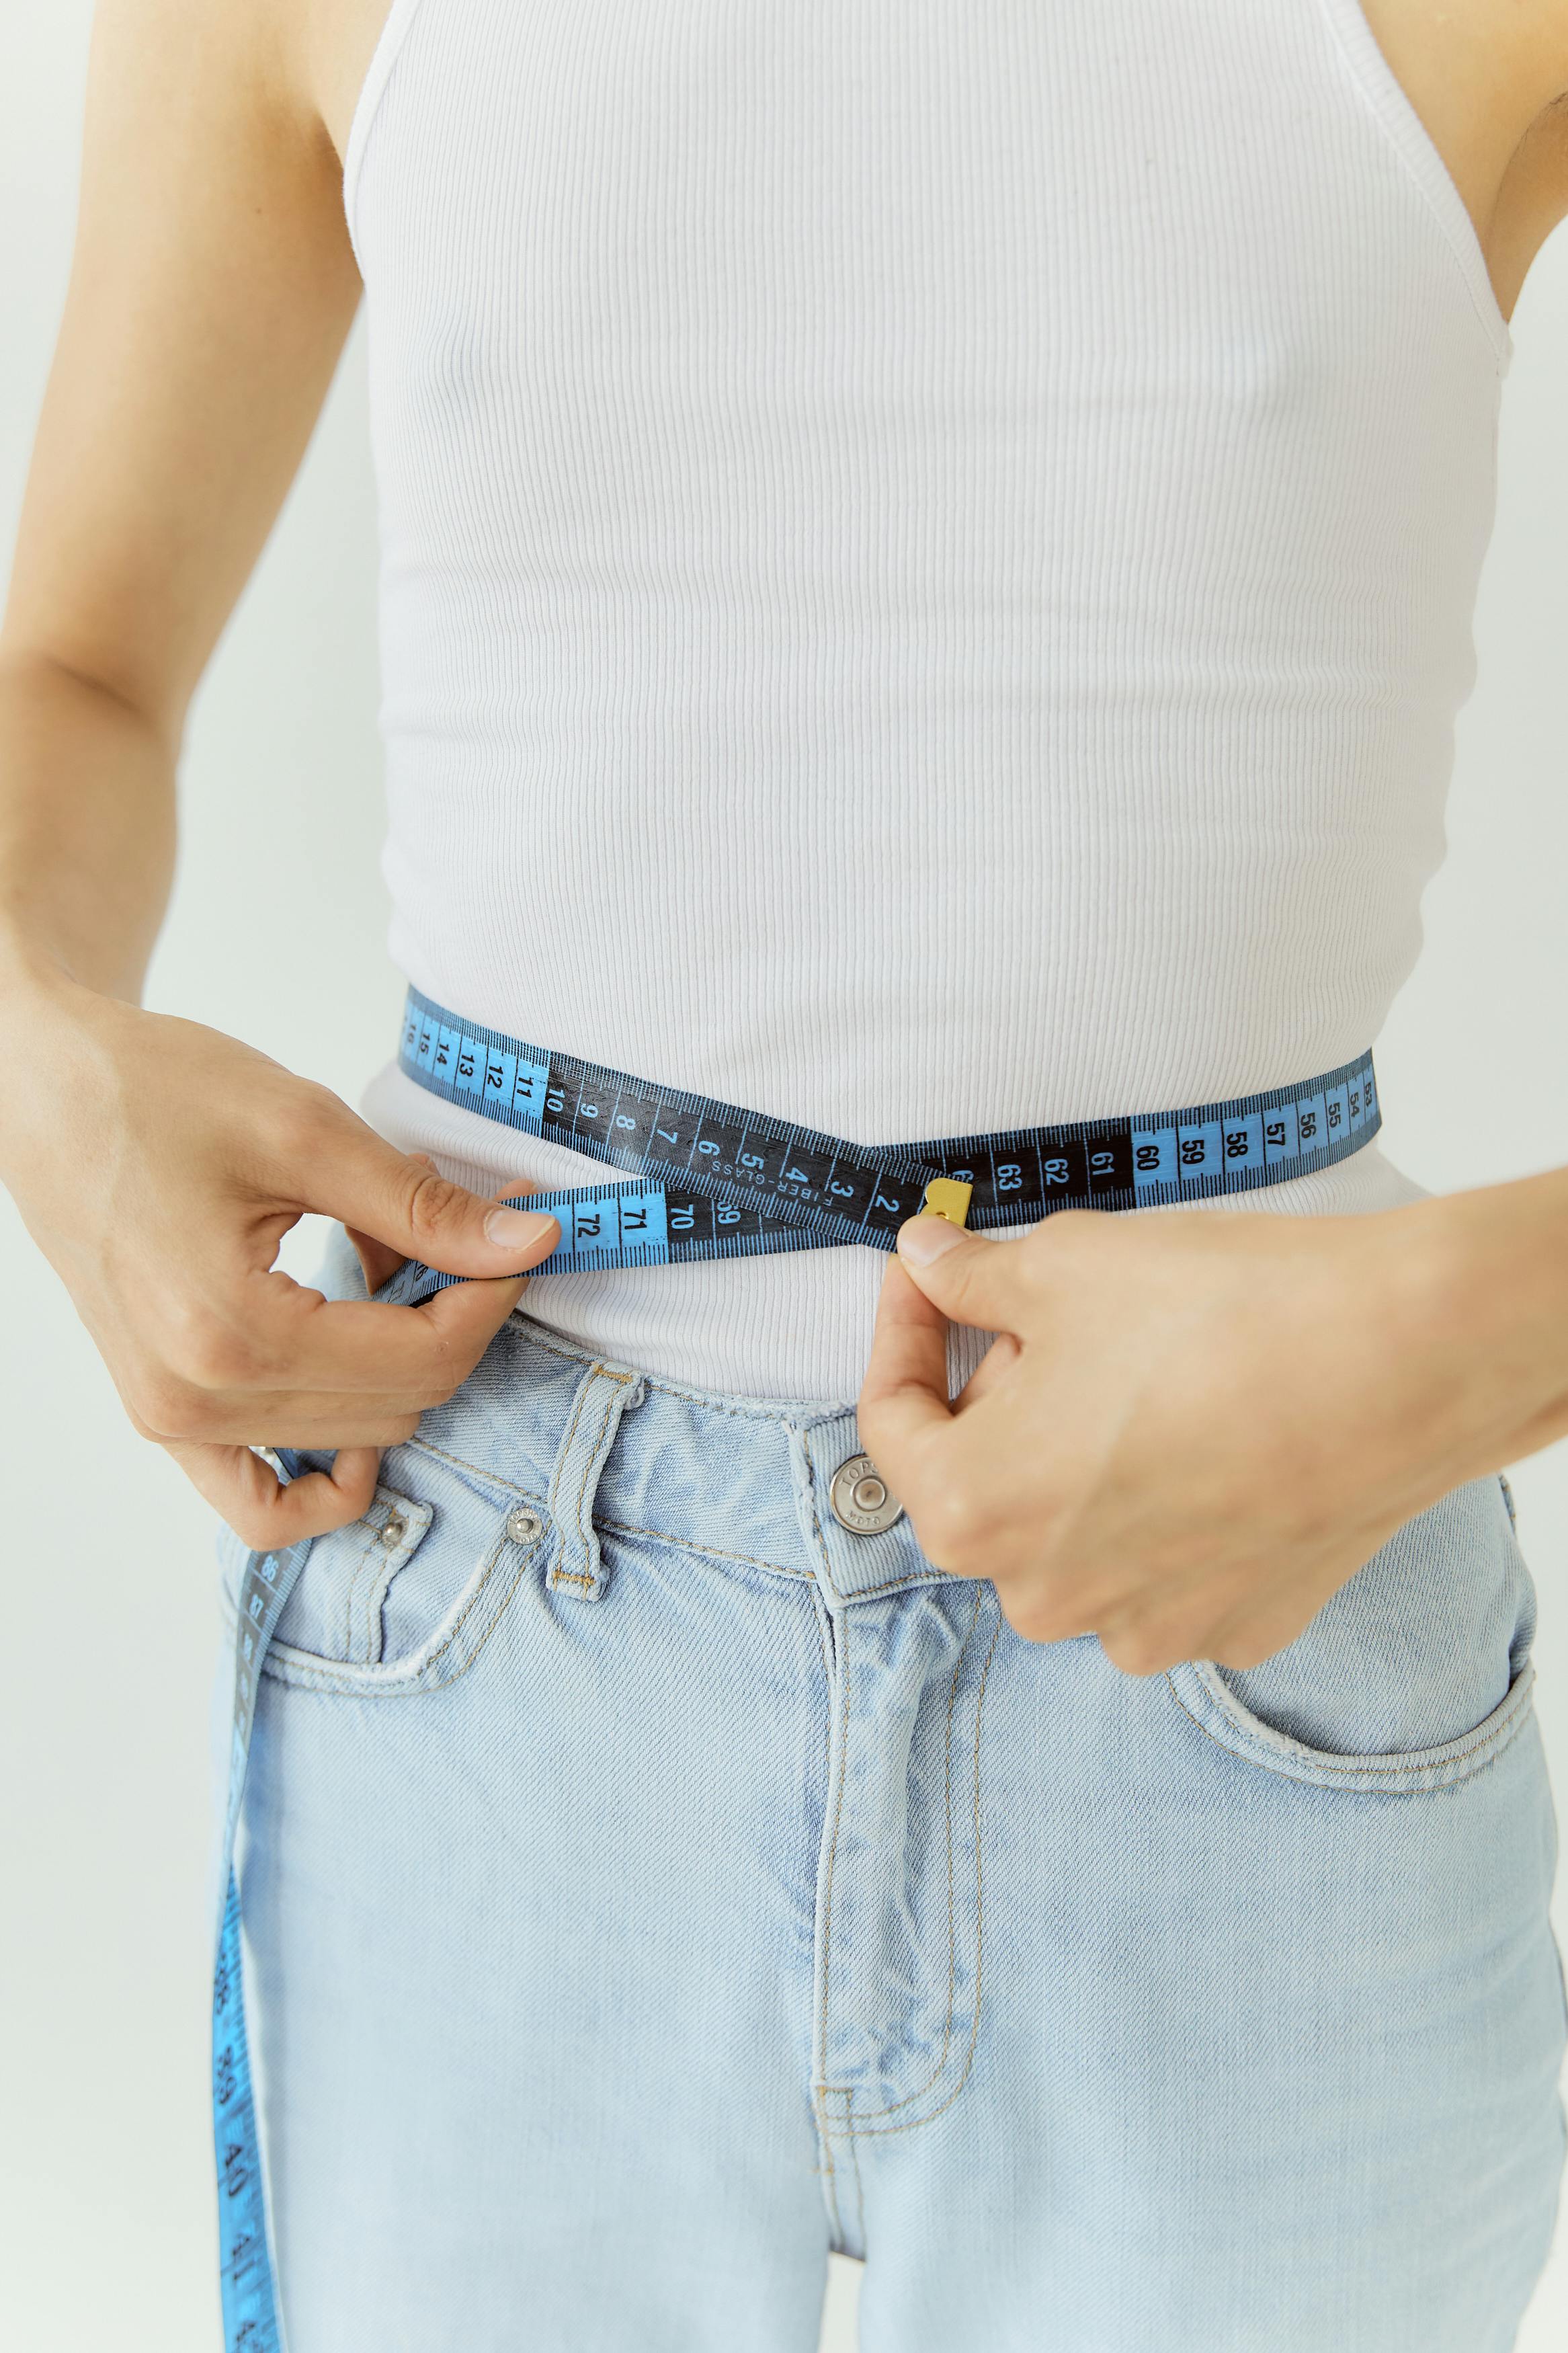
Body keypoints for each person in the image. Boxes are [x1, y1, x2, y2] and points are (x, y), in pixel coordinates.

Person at [3, 1, 1567, 2345]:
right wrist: (39, 1061)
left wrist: (1464, 1325)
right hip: (478, 1635)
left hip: (1261, 1628)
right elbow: (74, 668)